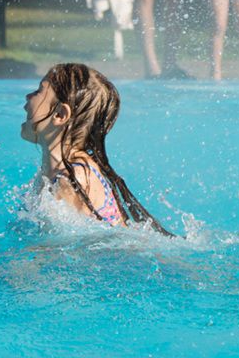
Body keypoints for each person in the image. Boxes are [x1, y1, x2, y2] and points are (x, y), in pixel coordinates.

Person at [21, 63, 176, 236]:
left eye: (38, 92)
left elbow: (57, 248)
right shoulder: (63, 170)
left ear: (60, 115)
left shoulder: (70, 180)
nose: (28, 96)